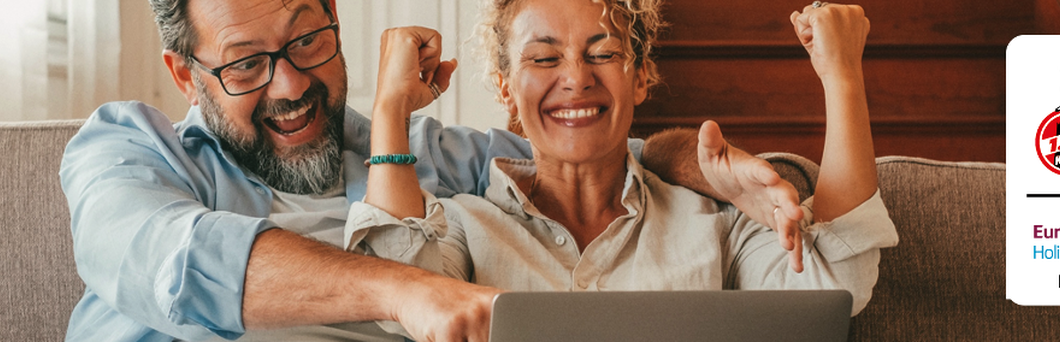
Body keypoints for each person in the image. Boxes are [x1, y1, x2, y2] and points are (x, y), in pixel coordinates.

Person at [59, 0, 803, 340]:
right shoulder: (129, 151)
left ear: (335, 23)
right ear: (185, 76)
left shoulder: (434, 156)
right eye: (247, 65)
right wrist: (408, 291)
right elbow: (176, 261)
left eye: (308, 41)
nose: (290, 85)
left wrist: (722, 168)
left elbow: (601, 154)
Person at [346, 0, 899, 318]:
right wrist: (391, 106)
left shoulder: (715, 225)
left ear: (641, 79)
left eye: (603, 53)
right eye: (543, 58)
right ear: (507, 91)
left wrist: (843, 76)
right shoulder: (468, 225)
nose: (576, 79)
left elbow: (837, 282)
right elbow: (397, 282)